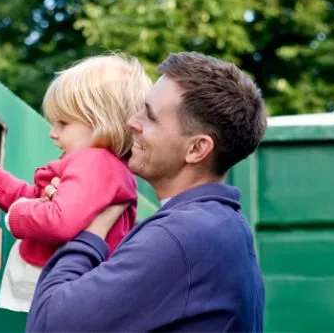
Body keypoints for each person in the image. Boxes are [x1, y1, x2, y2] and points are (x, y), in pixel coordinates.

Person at [25, 51, 267, 332]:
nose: (131, 121)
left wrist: (88, 231)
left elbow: (49, 324)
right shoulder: (214, 227)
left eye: (150, 117)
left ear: (196, 148)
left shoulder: (185, 235)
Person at [0, 54, 152, 312]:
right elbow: (32, 198)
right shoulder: (97, 167)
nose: (53, 132)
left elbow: (58, 220)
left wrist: (16, 216)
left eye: (63, 123)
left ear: (101, 124)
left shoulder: (97, 164)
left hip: (69, 299)